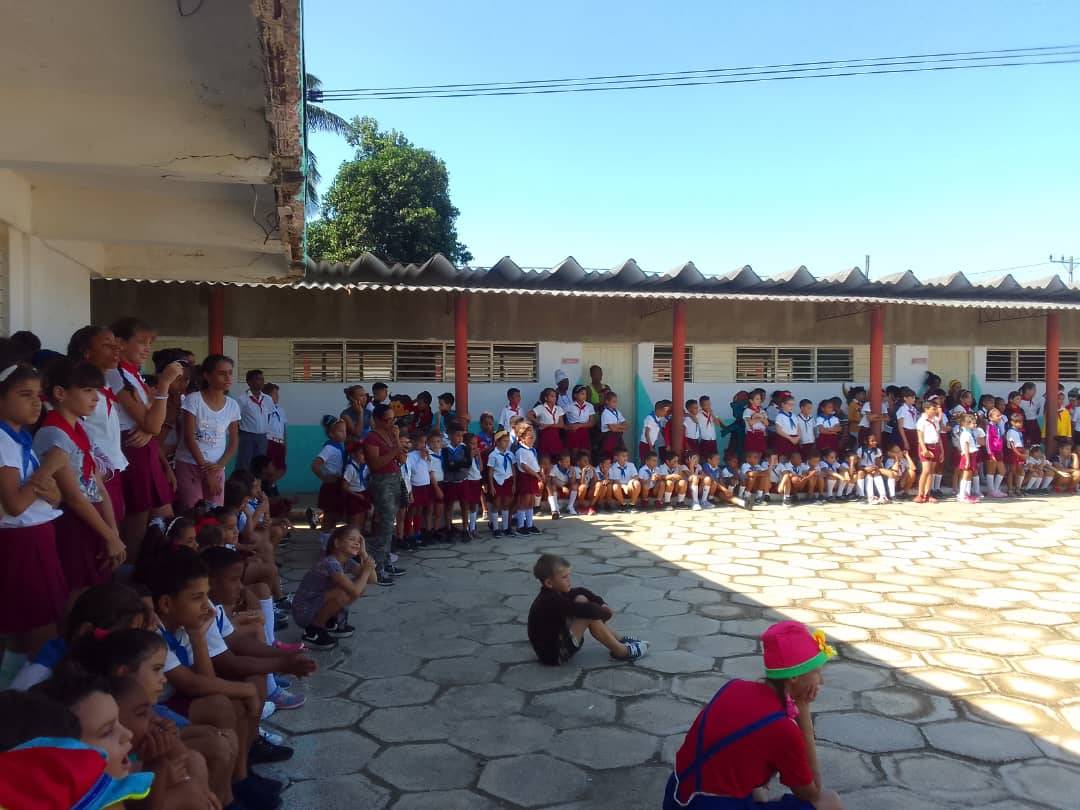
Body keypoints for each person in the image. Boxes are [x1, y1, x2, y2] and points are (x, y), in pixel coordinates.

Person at [147, 549, 288, 806]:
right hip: (161, 709)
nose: (206, 604)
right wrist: (247, 690)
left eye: (206, 595)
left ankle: (241, 778)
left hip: (178, 701)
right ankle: (229, 795)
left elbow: (206, 681)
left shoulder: (184, 624)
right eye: (198, 597)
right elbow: (193, 684)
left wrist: (197, 636)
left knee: (227, 702)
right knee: (224, 703)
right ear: (167, 604)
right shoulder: (154, 635)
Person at [662, 621, 841, 810]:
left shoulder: (733, 687)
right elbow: (811, 793)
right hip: (712, 805)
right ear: (794, 677)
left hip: (676, 798)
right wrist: (803, 712)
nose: (821, 680)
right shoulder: (784, 728)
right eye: (817, 672)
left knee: (757, 786)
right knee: (830, 801)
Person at [0, 354, 66, 677]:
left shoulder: (19, 436)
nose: (37, 403)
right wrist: (51, 465)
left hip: (36, 533)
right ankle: (27, 703)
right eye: (25, 395)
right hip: (21, 540)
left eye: (39, 396)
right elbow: (14, 503)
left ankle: (14, 696)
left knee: (25, 633)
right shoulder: (1, 439)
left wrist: (45, 483)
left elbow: (53, 497)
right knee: (39, 632)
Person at [34, 359, 124, 590]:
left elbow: (97, 485)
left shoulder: (80, 428)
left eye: (96, 390)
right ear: (60, 393)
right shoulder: (53, 433)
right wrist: (110, 535)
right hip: (73, 519)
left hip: (93, 517)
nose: (95, 397)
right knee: (78, 589)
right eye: (87, 391)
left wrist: (112, 531)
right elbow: (73, 496)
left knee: (97, 584)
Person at [107, 318, 184, 556]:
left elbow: (152, 422)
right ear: (120, 343)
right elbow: (152, 422)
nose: (146, 348)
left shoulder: (134, 374)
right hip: (133, 453)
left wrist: (149, 425)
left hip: (147, 450)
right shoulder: (115, 374)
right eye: (141, 342)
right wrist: (164, 384)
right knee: (137, 533)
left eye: (149, 342)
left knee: (167, 525)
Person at [526, 554, 647, 666]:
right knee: (588, 615)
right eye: (564, 577)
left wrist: (601, 603)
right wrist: (605, 613)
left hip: (559, 641)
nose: (569, 580)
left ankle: (620, 639)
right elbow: (589, 611)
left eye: (569, 575)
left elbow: (580, 591)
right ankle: (621, 651)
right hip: (554, 655)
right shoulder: (550, 600)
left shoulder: (555, 592)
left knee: (581, 599)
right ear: (549, 583)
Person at [68, 325, 130, 531]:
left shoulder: (108, 384)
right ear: (87, 353)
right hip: (95, 475)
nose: (116, 350)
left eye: (116, 345)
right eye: (107, 346)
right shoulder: (77, 394)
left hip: (112, 469)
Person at [292, 526, 377, 651]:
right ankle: (313, 632)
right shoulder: (330, 563)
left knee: (359, 585)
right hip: (304, 611)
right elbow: (355, 591)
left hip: (316, 604)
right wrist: (366, 570)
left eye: (359, 541)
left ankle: (330, 622)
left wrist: (363, 553)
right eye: (352, 539)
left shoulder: (346, 562)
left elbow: (372, 580)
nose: (357, 543)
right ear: (337, 543)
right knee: (343, 593)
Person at [173, 355, 240, 511]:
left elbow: (234, 441)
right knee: (193, 511)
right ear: (207, 376)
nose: (228, 377)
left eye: (230, 373)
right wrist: (206, 471)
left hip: (217, 468)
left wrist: (219, 466)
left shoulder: (232, 405)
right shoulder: (193, 400)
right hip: (190, 464)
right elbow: (189, 438)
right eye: (222, 373)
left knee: (215, 514)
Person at [364, 403, 408, 584]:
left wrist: (397, 440)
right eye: (387, 420)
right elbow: (375, 464)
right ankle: (377, 567)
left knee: (391, 523)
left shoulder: (391, 434)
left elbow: (403, 459)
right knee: (384, 525)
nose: (391, 423)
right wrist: (394, 451)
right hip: (382, 482)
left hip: (395, 479)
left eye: (393, 419)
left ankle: (386, 561)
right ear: (377, 420)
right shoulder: (371, 438)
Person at [311, 415, 348, 535]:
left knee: (336, 515)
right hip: (330, 487)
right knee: (329, 517)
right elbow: (315, 465)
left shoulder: (339, 447)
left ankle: (328, 539)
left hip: (338, 485)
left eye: (345, 431)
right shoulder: (329, 448)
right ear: (331, 434)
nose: (344, 434)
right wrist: (324, 477)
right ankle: (324, 541)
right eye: (340, 431)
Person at [235, 370, 269, 472]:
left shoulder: (267, 399)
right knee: (245, 463)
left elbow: (270, 417)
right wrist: (240, 434)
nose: (262, 381)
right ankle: (242, 486)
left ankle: (257, 486)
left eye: (262, 379)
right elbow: (235, 419)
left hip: (262, 437)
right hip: (247, 436)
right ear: (249, 382)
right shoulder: (242, 399)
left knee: (260, 466)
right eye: (258, 379)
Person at [514, 425, 543, 536]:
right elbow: (524, 465)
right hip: (525, 477)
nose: (532, 437)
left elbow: (534, 463)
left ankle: (529, 525)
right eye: (529, 436)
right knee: (524, 501)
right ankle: (520, 526)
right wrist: (536, 474)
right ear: (522, 438)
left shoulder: (532, 450)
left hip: (533, 477)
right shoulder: (521, 451)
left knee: (531, 502)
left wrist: (539, 472)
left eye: (533, 435)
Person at [487, 430, 516, 536]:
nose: (506, 443)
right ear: (497, 442)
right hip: (497, 481)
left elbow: (513, 470)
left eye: (508, 441)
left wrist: (514, 484)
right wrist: (491, 486)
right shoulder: (493, 455)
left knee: (506, 504)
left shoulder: (510, 454)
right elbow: (490, 472)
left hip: (508, 480)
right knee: (496, 504)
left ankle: (505, 527)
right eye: (504, 441)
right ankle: (495, 528)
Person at [915, 400, 943, 504]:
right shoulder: (921, 421)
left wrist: (942, 451)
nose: (935, 411)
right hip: (925, 446)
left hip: (935, 446)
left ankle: (928, 494)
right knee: (926, 470)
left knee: (931, 471)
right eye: (933, 409)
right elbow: (920, 438)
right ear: (926, 409)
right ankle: (920, 494)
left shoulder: (935, 420)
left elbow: (938, 436)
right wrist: (925, 450)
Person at [532, 387, 566, 460]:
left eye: (555, 396)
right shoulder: (540, 407)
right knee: (545, 457)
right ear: (546, 398)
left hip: (555, 435)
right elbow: (529, 414)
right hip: (545, 435)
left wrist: (548, 425)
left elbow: (561, 424)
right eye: (552, 396)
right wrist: (538, 423)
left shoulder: (559, 408)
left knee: (557, 457)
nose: (554, 398)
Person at [854, 433, 887, 504]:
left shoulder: (877, 450)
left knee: (876, 473)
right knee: (862, 473)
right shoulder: (860, 450)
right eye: (872, 441)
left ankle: (883, 496)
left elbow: (878, 464)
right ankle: (865, 496)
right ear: (866, 442)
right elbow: (858, 465)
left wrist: (875, 467)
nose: (875, 442)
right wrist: (865, 469)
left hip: (873, 469)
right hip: (863, 469)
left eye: (875, 440)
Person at [264, 382, 288, 475]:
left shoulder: (281, 410)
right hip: (269, 442)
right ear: (268, 395)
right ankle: (268, 486)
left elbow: (284, 429)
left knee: (281, 468)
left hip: (280, 443)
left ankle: (271, 485)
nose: (277, 396)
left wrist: (285, 444)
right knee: (269, 469)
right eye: (275, 393)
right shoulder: (264, 409)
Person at [608, 448, 641, 512]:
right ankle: (623, 505)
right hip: (619, 489)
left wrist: (630, 482)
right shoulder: (612, 467)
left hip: (629, 487)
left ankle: (632, 504)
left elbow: (636, 476)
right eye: (623, 456)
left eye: (627, 456)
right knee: (615, 486)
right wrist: (623, 486)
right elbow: (614, 480)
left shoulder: (631, 465)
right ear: (617, 457)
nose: (625, 458)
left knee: (637, 483)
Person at [599, 390, 629, 460]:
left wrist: (617, 425)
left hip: (618, 437)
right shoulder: (605, 413)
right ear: (607, 401)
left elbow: (626, 425)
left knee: (620, 456)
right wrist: (621, 427)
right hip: (609, 438)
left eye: (616, 402)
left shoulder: (617, 411)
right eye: (613, 402)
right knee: (610, 457)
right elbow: (612, 428)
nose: (615, 404)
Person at [547, 450, 573, 519]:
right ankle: (556, 510)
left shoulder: (569, 469)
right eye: (566, 462)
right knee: (553, 486)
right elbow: (552, 480)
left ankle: (570, 507)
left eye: (569, 461)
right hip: (558, 486)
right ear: (560, 462)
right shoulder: (555, 468)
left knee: (575, 486)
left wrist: (572, 473)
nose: (568, 463)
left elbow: (572, 482)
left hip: (566, 486)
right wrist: (562, 487)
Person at [743, 390, 769, 458]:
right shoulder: (747, 411)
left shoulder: (762, 411)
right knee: (752, 454)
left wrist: (757, 416)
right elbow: (750, 422)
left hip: (761, 434)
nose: (759, 400)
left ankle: (758, 467)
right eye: (757, 399)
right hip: (752, 434)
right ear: (751, 401)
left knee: (760, 454)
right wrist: (760, 418)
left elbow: (766, 423)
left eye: (760, 399)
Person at [570, 451, 597, 516]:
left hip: (588, 490)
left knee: (597, 485)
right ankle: (581, 506)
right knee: (583, 487)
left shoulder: (589, 469)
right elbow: (581, 483)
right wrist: (583, 473)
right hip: (579, 491)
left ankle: (591, 506)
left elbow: (594, 481)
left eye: (588, 461)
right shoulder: (575, 469)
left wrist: (593, 471)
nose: (587, 463)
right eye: (584, 461)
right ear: (578, 462)